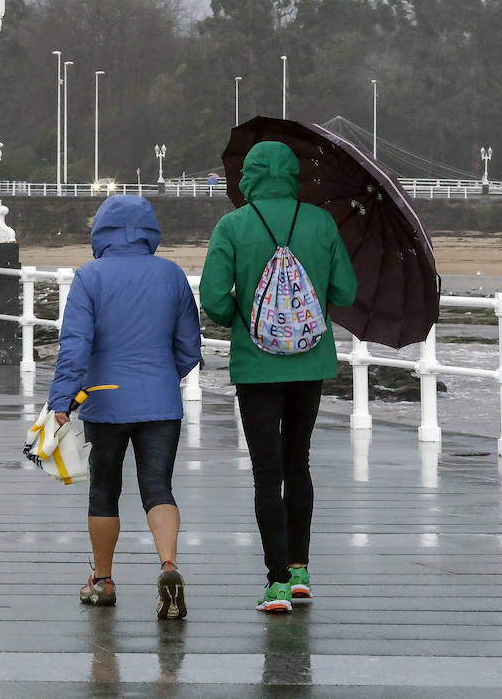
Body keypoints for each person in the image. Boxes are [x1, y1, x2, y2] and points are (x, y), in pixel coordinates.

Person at [198, 141, 357, 612]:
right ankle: (302, 569)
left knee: (266, 472)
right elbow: (345, 290)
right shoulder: (321, 222)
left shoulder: (232, 225)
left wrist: (246, 318)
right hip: (310, 362)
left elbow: (213, 298)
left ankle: (276, 583)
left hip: (256, 365)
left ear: (247, 175)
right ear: (292, 174)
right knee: (298, 462)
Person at [47, 195, 202, 620]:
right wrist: (159, 378)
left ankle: (103, 581)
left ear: (101, 231)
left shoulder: (90, 276)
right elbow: (190, 345)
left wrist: (62, 400)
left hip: (104, 399)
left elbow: (75, 346)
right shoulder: (171, 275)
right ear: (150, 231)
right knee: (158, 487)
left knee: (104, 490)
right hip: (160, 401)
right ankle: (169, 567)